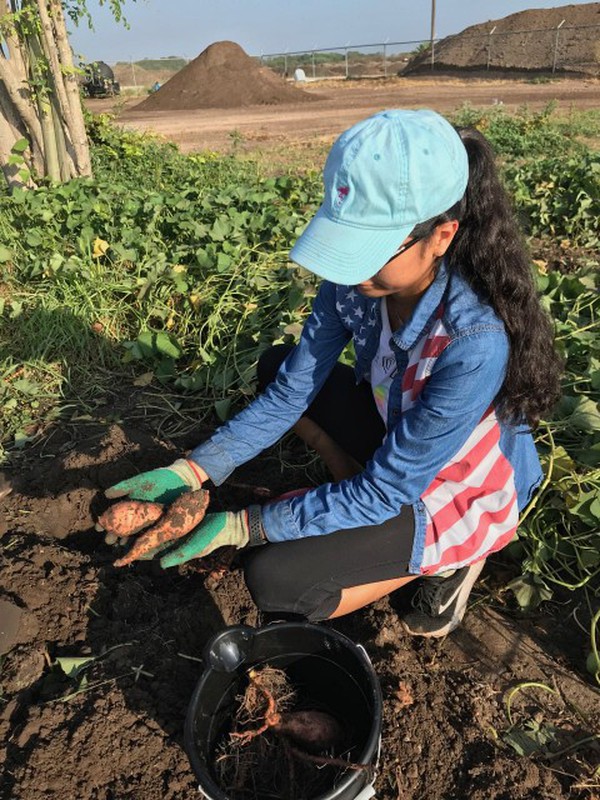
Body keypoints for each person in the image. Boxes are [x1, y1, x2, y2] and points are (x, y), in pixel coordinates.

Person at [103, 109, 562, 638]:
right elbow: (290, 393)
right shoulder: (356, 283)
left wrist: (243, 525)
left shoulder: (472, 341)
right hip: (396, 433)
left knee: (277, 582)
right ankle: (345, 474)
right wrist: (192, 472)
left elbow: (389, 489)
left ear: (442, 235)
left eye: (373, 251)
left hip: (454, 482)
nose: (354, 269)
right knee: (278, 365)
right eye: (348, 247)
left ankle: (450, 564)